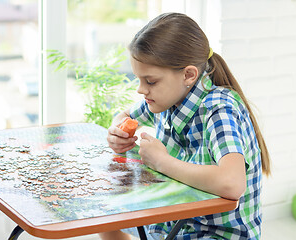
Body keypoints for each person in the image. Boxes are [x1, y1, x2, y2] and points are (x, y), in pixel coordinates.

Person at [102, 12, 271, 240]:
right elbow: (124, 115)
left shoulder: (218, 110)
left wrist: (162, 162)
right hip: (177, 223)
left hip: (219, 234)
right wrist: (116, 131)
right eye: (138, 79)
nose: (141, 90)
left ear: (188, 75)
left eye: (150, 81)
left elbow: (232, 183)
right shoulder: (167, 98)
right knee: (106, 220)